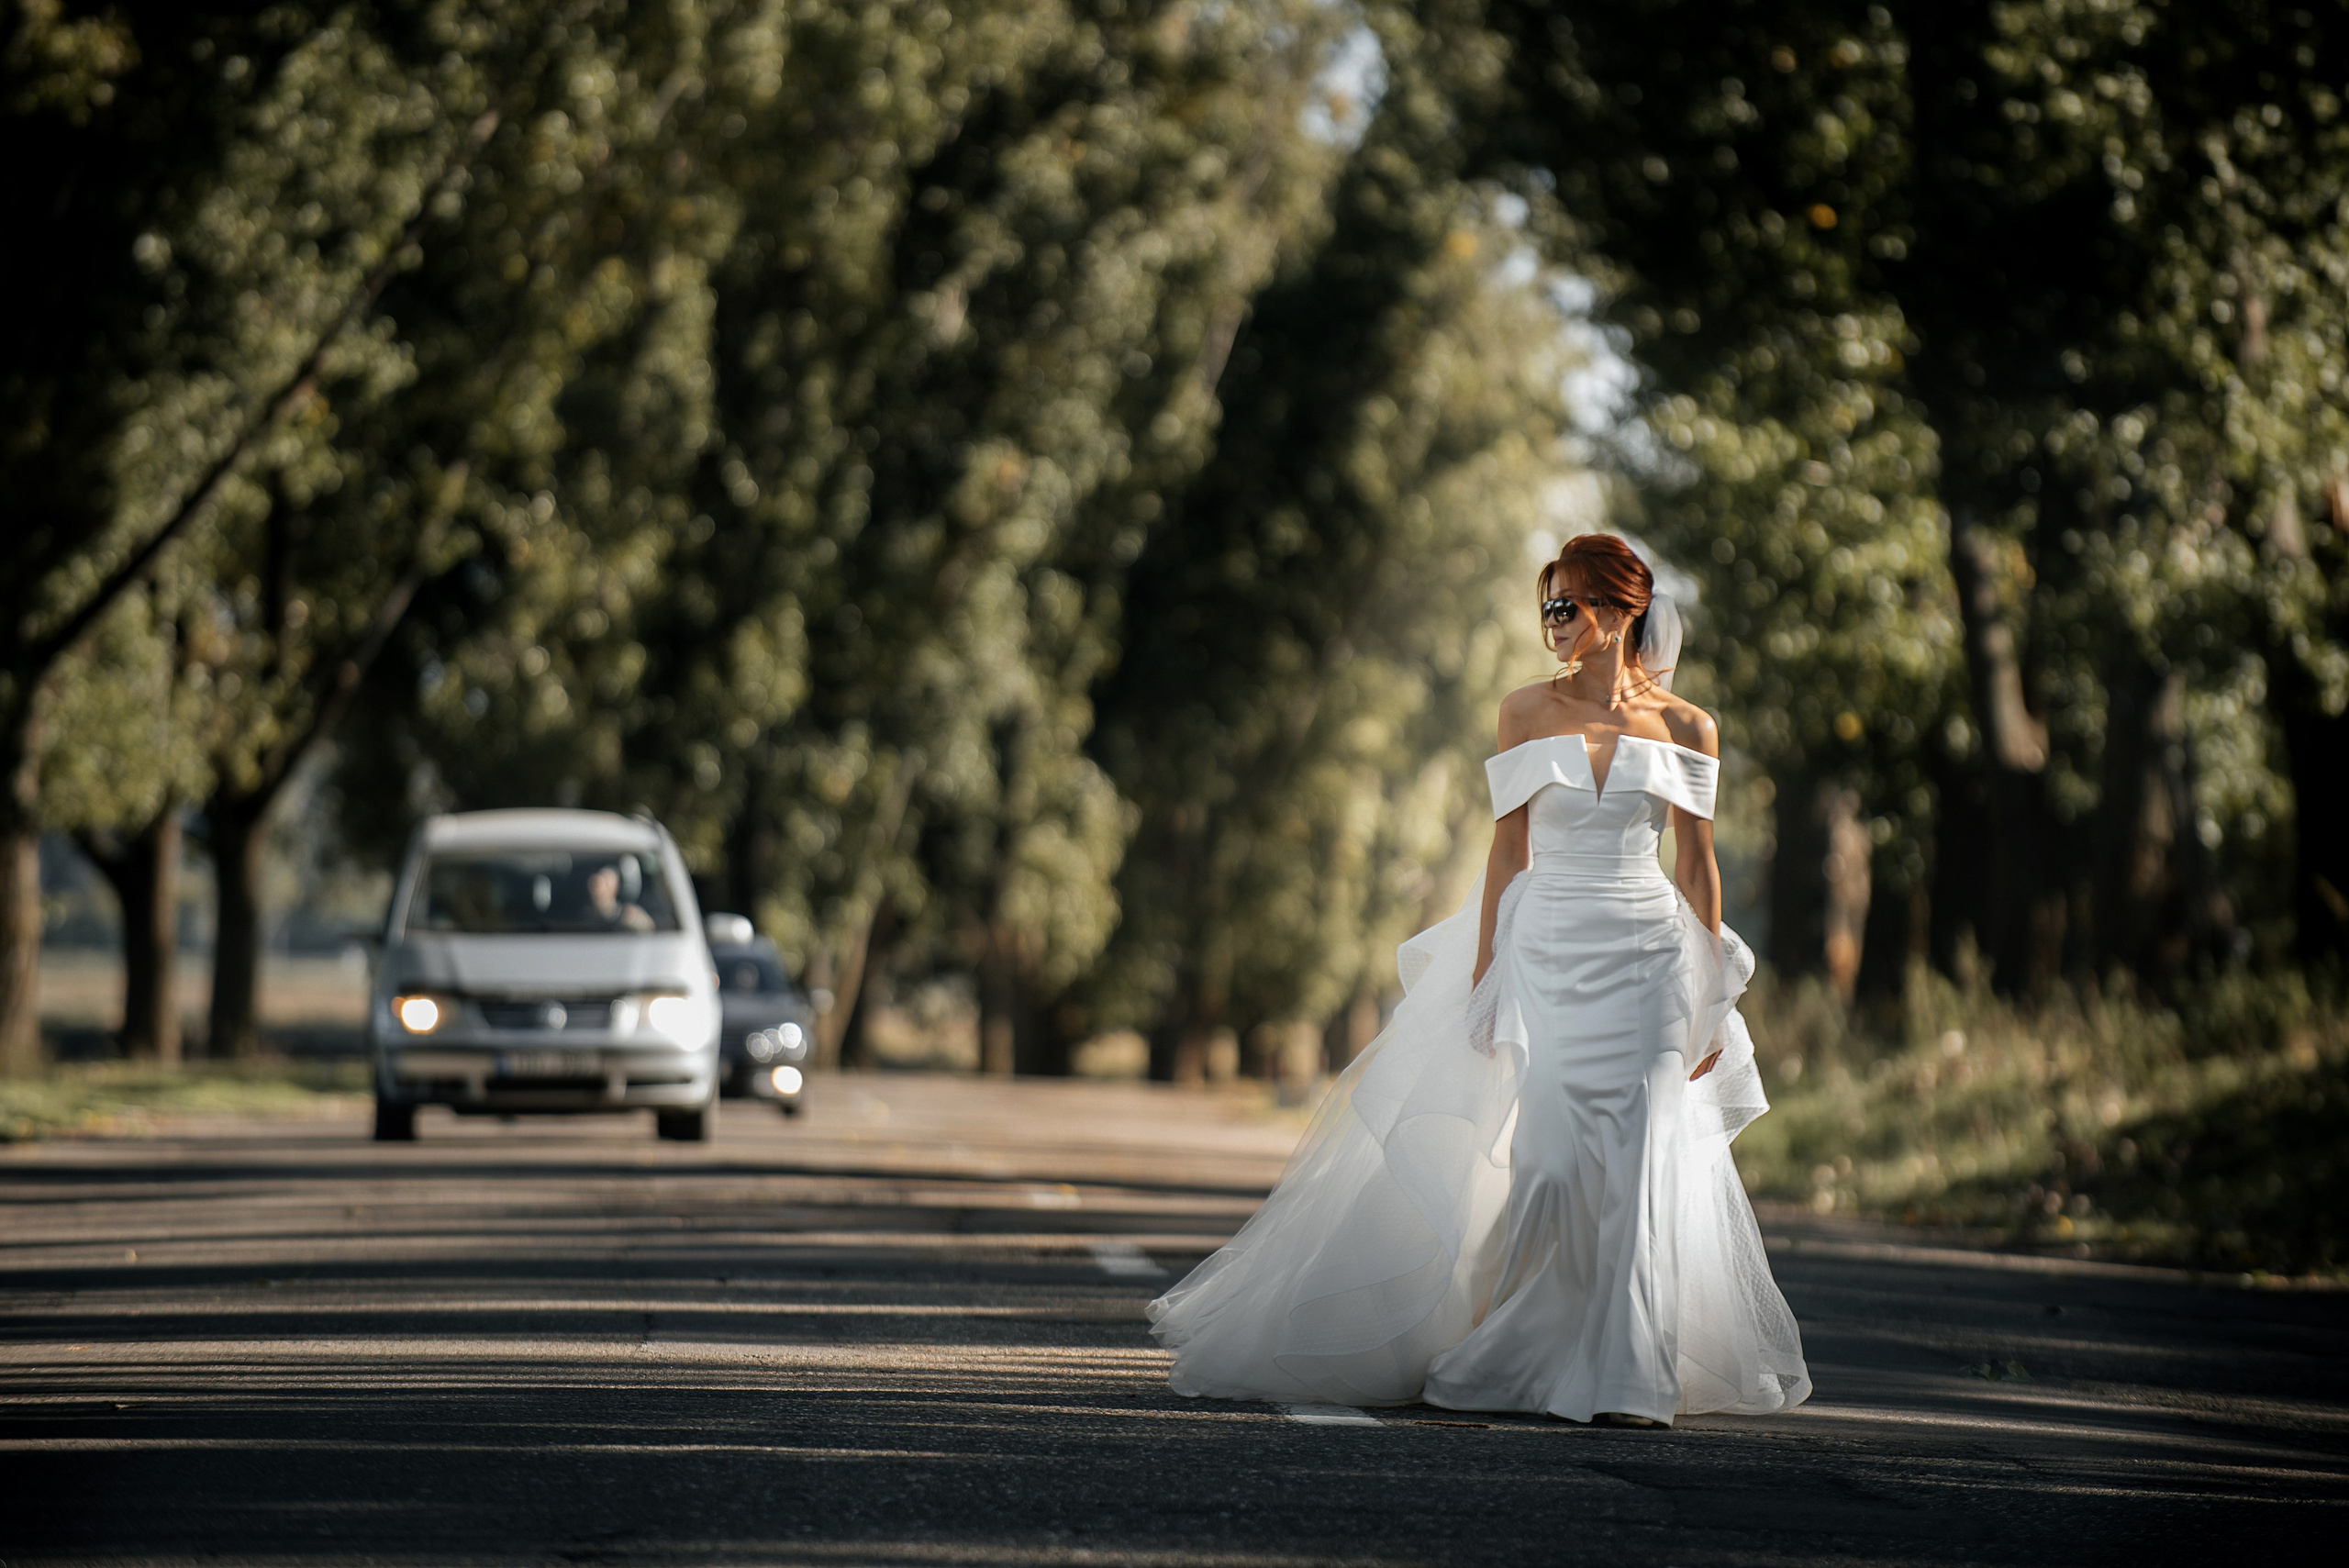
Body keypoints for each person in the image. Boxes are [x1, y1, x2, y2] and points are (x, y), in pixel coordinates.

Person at [1148, 534, 1810, 1427]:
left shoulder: (1689, 725)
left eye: (1568, 604)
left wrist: (1712, 1000)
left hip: (1650, 954)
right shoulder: (1523, 710)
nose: (1553, 621)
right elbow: (1507, 848)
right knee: (1548, 1157)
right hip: (1545, 948)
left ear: (1622, 608)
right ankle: (1524, 1350)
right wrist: (1485, 975)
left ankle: (1624, 1373)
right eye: (1547, 604)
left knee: (1642, 1149)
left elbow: (1697, 870)